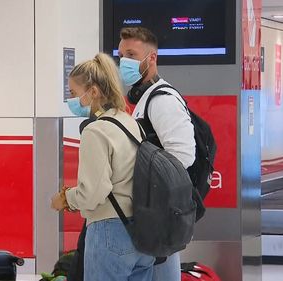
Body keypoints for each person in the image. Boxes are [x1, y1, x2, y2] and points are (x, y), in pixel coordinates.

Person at [51, 53, 155, 281]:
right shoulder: (130, 123)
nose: (73, 100)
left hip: (110, 232)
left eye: (74, 93)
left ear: (94, 92)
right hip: (142, 231)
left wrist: (66, 199)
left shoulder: (95, 131)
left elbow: (92, 193)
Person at [118, 27, 196, 281]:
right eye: (121, 55)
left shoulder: (162, 100)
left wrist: (151, 188)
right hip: (150, 211)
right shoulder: (145, 98)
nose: (124, 61)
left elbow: (183, 157)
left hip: (160, 213)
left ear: (151, 58)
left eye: (131, 54)